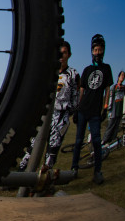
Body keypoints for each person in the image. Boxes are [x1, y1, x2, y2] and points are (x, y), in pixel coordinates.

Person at [19, 40, 79, 170]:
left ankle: (43, 181)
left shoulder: (73, 74)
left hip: (61, 117)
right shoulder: (49, 73)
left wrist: (69, 113)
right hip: (44, 115)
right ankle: (20, 173)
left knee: (52, 151)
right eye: (59, 53)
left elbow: (75, 97)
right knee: (32, 147)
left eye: (64, 53)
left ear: (69, 55)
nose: (61, 56)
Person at [71, 34, 114, 184]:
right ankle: (74, 168)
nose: (97, 52)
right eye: (95, 49)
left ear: (103, 51)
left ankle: (97, 171)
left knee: (96, 140)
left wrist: (105, 107)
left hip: (96, 111)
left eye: (100, 49)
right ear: (92, 51)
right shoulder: (87, 69)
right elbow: (81, 90)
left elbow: (108, 89)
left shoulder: (107, 68)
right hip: (83, 110)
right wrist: (77, 108)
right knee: (78, 141)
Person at [102, 70, 125, 145]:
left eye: (123, 76)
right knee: (110, 126)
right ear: (118, 77)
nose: (122, 77)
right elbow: (110, 98)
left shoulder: (123, 88)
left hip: (119, 111)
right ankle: (104, 140)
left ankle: (112, 141)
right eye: (121, 75)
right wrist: (109, 109)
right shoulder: (114, 87)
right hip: (113, 110)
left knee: (116, 127)